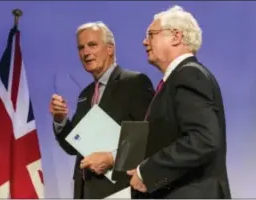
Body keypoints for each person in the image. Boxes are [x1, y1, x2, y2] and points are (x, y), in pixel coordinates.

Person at [126, 5, 232, 199]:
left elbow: (203, 139)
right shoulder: (179, 78)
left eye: (151, 34)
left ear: (176, 37)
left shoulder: (189, 74)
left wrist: (146, 172)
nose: (144, 42)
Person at [49, 21, 155, 199]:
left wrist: (111, 158)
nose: (86, 52)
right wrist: (60, 120)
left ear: (110, 49)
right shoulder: (86, 94)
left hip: (122, 190)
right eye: (81, 47)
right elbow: (73, 147)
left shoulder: (134, 82)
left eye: (92, 45)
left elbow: (148, 137)